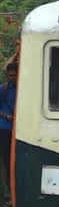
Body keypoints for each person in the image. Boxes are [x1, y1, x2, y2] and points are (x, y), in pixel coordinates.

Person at [0, 62, 17, 199]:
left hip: (19, 131)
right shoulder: (3, 89)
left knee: (19, 160)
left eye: (14, 75)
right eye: (10, 75)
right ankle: (8, 191)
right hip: (5, 128)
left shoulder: (23, 89)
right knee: (7, 160)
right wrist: (7, 116)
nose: (12, 77)